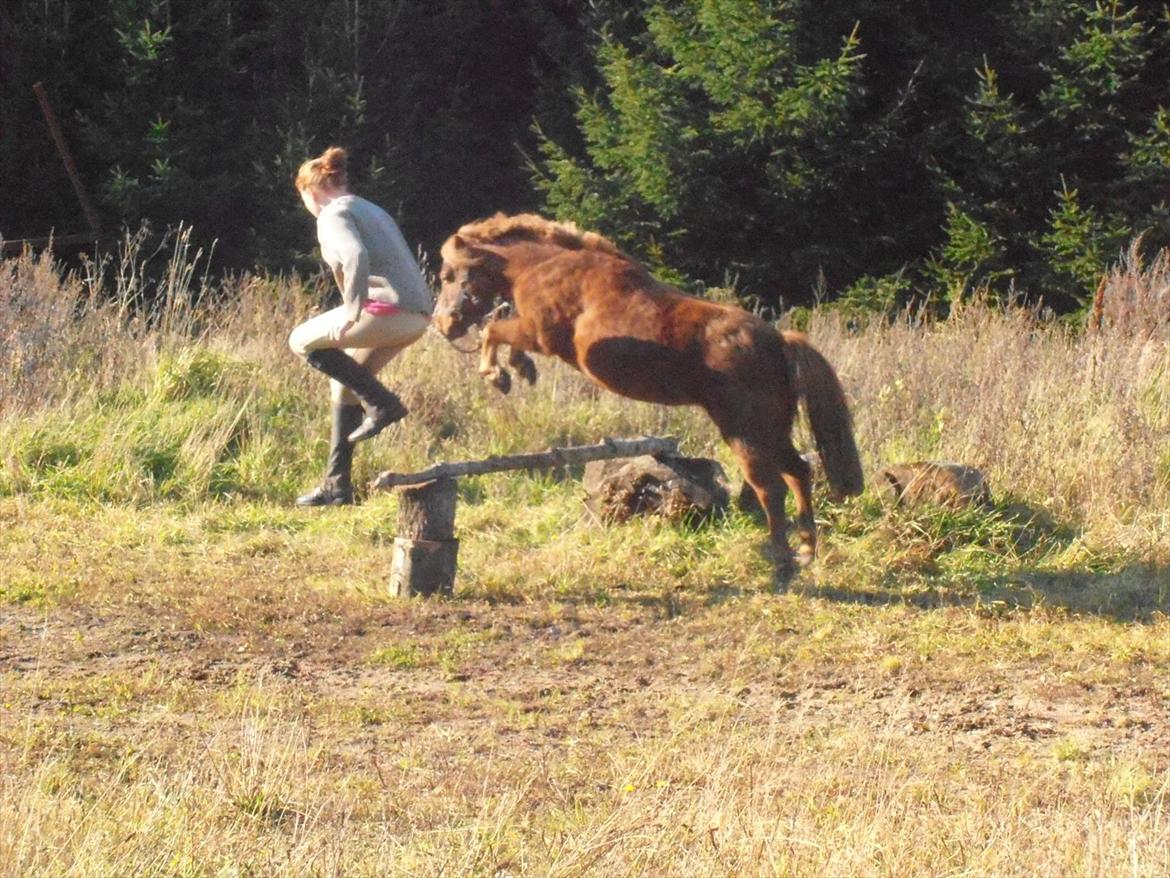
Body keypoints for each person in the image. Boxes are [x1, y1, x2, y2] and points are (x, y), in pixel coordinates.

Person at [289, 146, 432, 506]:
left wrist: (352, 311)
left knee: (300, 340)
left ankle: (383, 405)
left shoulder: (332, 213)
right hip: (416, 316)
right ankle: (337, 487)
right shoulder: (370, 208)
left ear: (310, 191)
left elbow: (355, 255)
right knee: (344, 390)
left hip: (386, 312)